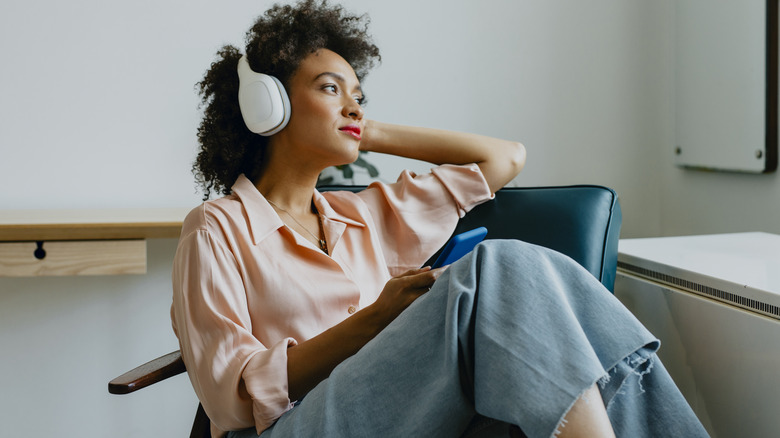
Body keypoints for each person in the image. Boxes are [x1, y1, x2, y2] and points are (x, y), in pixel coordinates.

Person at [171, 1, 709, 437]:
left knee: (554, 308)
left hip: (401, 412)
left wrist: (365, 129)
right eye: (331, 88)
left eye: (360, 96)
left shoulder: (365, 215)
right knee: (497, 265)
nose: (353, 106)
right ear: (270, 106)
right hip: (296, 426)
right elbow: (231, 397)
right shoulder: (216, 228)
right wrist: (375, 320)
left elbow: (503, 159)